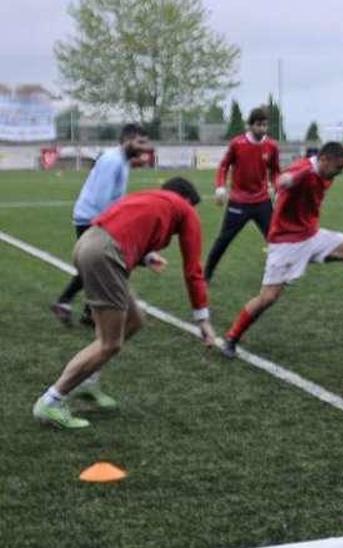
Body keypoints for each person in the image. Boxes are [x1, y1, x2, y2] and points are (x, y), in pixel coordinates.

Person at [32, 178, 216, 429]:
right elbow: (193, 270)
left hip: (88, 244)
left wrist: (147, 257)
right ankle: (51, 401)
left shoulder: (148, 197)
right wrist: (202, 319)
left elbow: (126, 228)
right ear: (186, 200)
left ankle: (88, 381)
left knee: (134, 320)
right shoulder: (184, 210)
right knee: (110, 343)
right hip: (105, 256)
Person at [220, 142, 343, 359]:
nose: (341, 172)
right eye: (338, 167)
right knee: (268, 297)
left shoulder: (326, 174)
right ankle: (231, 337)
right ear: (324, 160)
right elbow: (288, 177)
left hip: (312, 236)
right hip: (286, 243)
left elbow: (312, 181)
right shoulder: (304, 170)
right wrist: (285, 181)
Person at [50, 123, 151, 327]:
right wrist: (113, 227)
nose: (144, 147)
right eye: (140, 142)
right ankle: (72, 305)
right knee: (100, 266)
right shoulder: (113, 161)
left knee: (96, 266)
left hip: (97, 218)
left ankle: (81, 309)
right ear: (127, 140)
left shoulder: (121, 158)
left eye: (145, 143)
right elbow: (101, 200)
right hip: (92, 218)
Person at [205, 107, 282, 283]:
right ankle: (206, 273)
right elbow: (224, 166)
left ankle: (280, 273)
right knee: (224, 239)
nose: (262, 129)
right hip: (238, 202)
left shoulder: (271, 146)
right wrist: (220, 186)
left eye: (265, 125)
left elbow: (276, 171)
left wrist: (276, 189)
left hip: (262, 201)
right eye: (258, 125)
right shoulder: (237, 144)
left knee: (275, 239)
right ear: (250, 125)